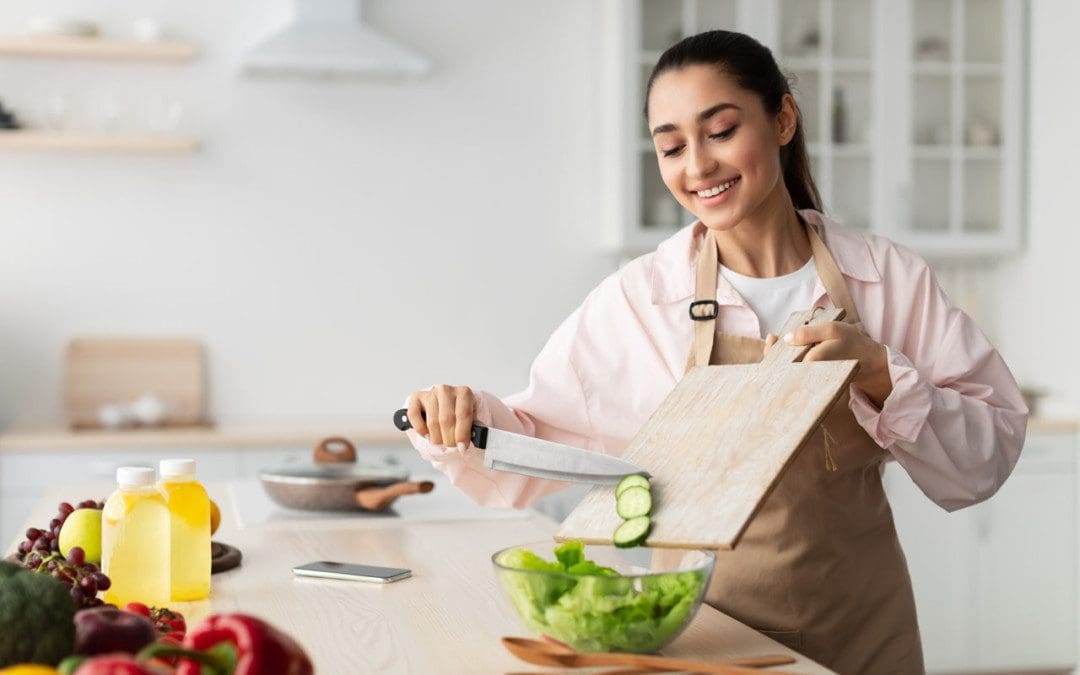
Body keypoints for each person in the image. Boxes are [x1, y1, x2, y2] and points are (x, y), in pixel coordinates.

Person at [402, 30, 1026, 674]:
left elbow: (989, 451)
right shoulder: (641, 300)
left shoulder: (886, 278)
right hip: (703, 644)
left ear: (783, 119)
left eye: (720, 131)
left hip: (862, 639)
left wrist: (878, 372)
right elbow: (531, 439)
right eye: (671, 146)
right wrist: (459, 416)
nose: (696, 165)